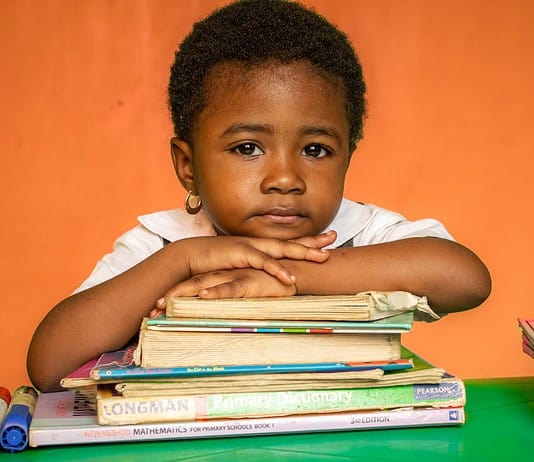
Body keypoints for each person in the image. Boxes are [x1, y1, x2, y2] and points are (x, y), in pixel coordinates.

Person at [27, 0, 491, 392]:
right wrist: (183, 262)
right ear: (188, 167)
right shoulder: (165, 245)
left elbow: (466, 278)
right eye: (247, 148)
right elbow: (49, 366)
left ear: (347, 158)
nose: (285, 178)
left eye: (315, 149)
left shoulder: (358, 234)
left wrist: (286, 275)